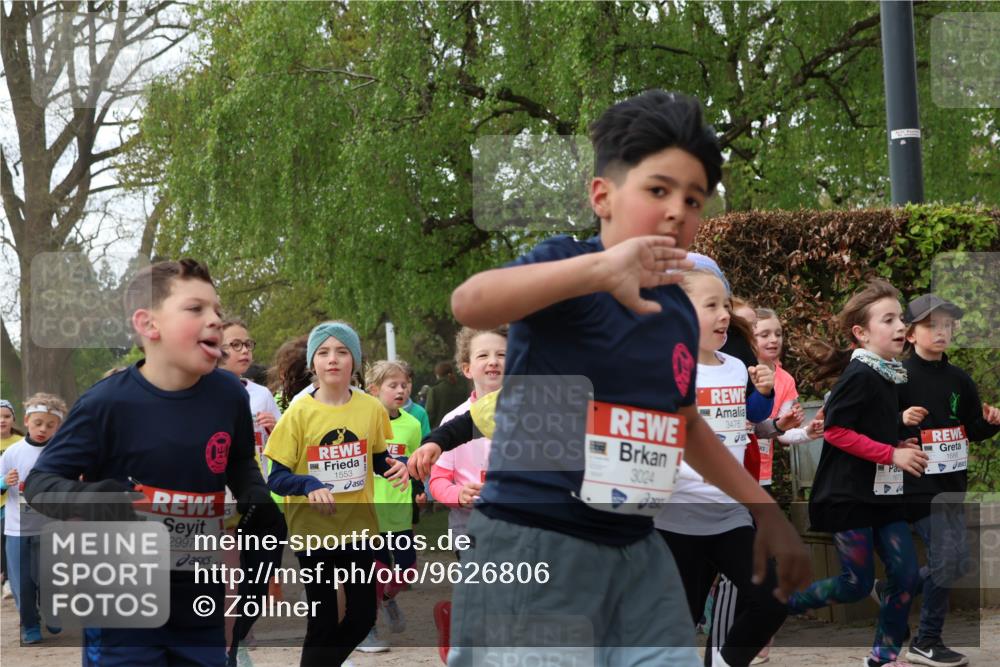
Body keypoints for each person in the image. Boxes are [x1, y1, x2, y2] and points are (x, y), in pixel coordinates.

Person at [409, 90, 810, 666]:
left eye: (694, 199)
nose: (678, 210)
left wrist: (764, 509)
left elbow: (685, 423)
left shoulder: (677, 314)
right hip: (535, 539)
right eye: (658, 190)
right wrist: (600, 269)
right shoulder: (566, 266)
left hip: (636, 546)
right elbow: (470, 302)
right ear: (602, 196)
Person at [25, 259, 278, 667]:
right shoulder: (105, 403)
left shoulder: (229, 394)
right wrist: (99, 499)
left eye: (217, 310)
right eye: (196, 309)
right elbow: (40, 484)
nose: (215, 320)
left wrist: (255, 493)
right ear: (148, 325)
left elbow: (240, 462)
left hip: (200, 589)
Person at [790, 279, 928, 667]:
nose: (901, 326)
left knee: (904, 575)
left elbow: (876, 426)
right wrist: (891, 454)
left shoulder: (889, 373)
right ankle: (780, 604)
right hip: (847, 495)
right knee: (855, 585)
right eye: (889, 319)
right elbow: (836, 431)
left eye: (901, 317)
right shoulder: (860, 374)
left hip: (882, 494)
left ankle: (883, 657)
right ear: (862, 333)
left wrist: (900, 444)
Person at [656, 271, 786, 667]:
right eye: (710, 305)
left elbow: (748, 417)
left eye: (725, 305)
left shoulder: (734, 367)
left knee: (773, 600)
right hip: (675, 518)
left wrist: (763, 394)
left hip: (730, 514)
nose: (724, 314)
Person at [263, 321, 409, 667]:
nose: (333, 359)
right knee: (323, 621)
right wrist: (309, 485)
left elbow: (374, 456)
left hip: (359, 529)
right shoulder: (299, 412)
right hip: (313, 532)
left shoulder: (371, 408)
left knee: (362, 618)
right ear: (313, 362)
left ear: (354, 362)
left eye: (342, 352)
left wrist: (396, 464)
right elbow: (277, 476)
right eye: (324, 352)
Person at [896, 294, 1000, 667]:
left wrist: (991, 423)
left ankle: (895, 588)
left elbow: (970, 428)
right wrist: (900, 420)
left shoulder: (960, 379)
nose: (940, 331)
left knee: (954, 562)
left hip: (954, 485)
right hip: (918, 486)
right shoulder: (898, 376)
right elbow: (875, 428)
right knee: (949, 559)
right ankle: (927, 640)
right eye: (930, 325)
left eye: (946, 325)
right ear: (910, 334)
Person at [217, 318, 286, 667]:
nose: (245, 351)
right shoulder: (202, 391)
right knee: (229, 579)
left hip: (258, 497)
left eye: (248, 344)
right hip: (221, 503)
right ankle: (231, 648)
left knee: (255, 582)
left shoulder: (261, 395)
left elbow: (281, 451)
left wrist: (274, 432)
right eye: (236, 345)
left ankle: (240, 634)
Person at [361, 359, 424, 651]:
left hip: (399, 510)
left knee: (408, 571)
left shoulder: (412, 424)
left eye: (404, 384)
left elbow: (418, 463)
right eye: (393, 385)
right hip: (370, 511)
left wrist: (421, 488)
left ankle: (388, 600)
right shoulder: (364, 421)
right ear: (374, 390)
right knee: (375, 571)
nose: (401, 390)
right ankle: (368, 626)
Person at [1, 393, 66, 644]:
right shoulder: (12, 453)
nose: (43, 429)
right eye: (38, 422)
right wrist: (4, 482)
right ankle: (29, 625)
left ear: (58, 427)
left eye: (50, 425)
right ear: (27, 420)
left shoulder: (61, 453)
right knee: (23, 585)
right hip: (18, 530)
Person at [0, 398, 24, 599]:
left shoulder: (20, 442)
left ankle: (9, 579)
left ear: (14, 419)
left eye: (6, 416)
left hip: (14, 502)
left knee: (8, 540)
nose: (2, 420)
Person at [424, 362, 470, 428]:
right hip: (460, 429)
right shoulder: (461, 389)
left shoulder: (435, 390)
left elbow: (430, 413)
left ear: (438, 375)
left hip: (440, 431)